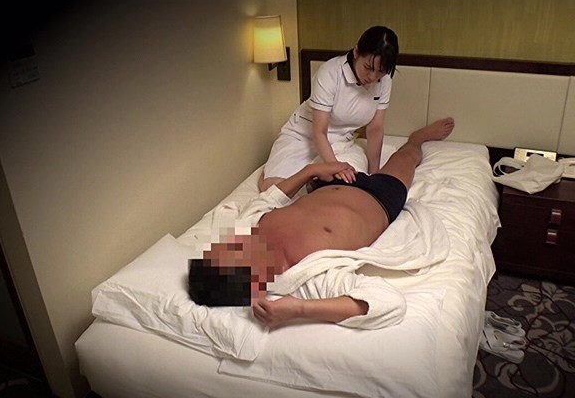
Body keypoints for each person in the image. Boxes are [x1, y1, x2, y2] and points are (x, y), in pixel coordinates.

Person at [189, 118, 455, 329]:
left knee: (342, 149)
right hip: (380, 199)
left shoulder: (251, 228)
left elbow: (270, 197)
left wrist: (312, 171)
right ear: (248, 281)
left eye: (226, 246)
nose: (232, 242)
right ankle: (417, 138)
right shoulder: (303, 275)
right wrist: (299, 309)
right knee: (406, 158)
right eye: (230, 252)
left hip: (332, 182)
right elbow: (389, 302)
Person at [259, 26, 400, 192]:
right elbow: (319, 132)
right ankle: (284, 174)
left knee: (343, 191)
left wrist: (374, 174)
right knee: (274, 190)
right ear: (356, 52)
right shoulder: (331, 73)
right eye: (368, 68)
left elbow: (375, 128)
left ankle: (314, 178)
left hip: (342, 143)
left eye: (380, 71)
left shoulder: (384, 80)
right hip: (303, 137)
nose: (372, 77)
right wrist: (335, 167)